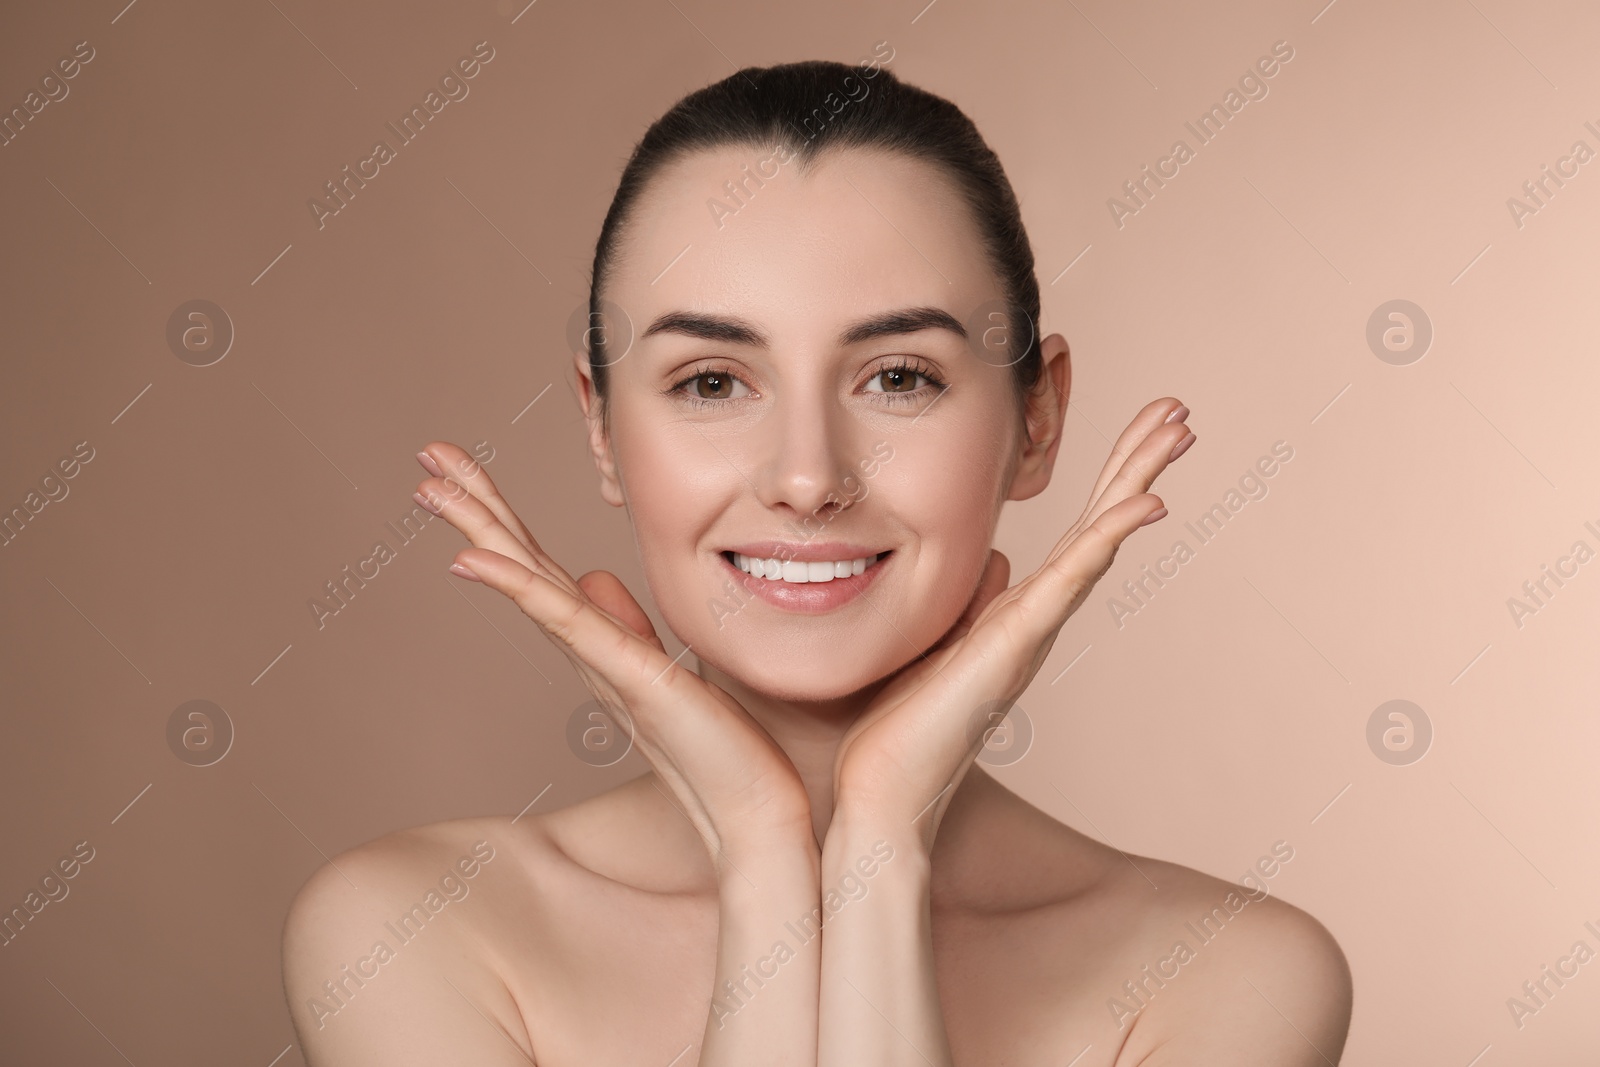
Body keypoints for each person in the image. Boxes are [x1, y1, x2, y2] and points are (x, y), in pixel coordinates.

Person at [281, 58, 1352, 1065]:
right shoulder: (414, 929)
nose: (806, 477)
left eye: (896, 376)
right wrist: (762, 857)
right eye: (710, 381)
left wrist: (879, 849)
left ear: (1036, 419)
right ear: (602, 427)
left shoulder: (1228, 977)